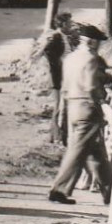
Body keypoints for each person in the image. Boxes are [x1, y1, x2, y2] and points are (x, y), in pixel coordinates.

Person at [48, 24, 110, 205]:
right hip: (87, 107)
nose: (99, 46)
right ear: (91, 42)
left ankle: (111, 191)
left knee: (95, 152)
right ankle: (59, 189)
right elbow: (91, 87)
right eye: (98, 42)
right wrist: (101, 101)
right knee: (78, 150)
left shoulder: (70, 58)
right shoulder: (91, 59)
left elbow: (65, 87)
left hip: (72, 107)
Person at [40, 12, 74, 146]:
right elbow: (48, 52)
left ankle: (55, 135)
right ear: (63, 24)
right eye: (69, 23)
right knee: (59, 107)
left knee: (60, 106)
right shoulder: (56, 36)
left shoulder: (63, 37)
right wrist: (60, 64)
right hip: (59, 78)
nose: (71, 25)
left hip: (63, 77)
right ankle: (56, 136)